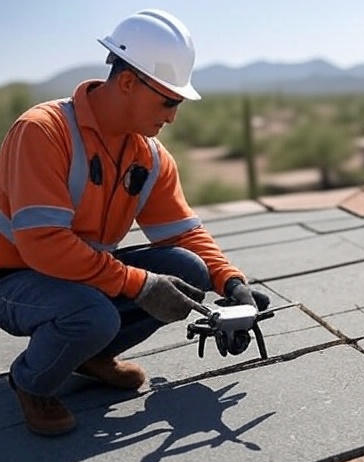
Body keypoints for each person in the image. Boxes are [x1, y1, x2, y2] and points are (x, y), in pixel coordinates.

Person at [0, 9, 270, 436]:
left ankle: (88, 357)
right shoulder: (43, 131)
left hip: (79, 275)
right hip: (14, 278)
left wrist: (231, 283)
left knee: (189, 270)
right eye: (168, 101)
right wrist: (140, 284)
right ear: (128, 82)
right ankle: (32, 382)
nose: (173, 116)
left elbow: (184, 232)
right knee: (92, 314)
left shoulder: (151, 157)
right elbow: (43, 244)